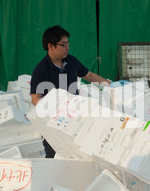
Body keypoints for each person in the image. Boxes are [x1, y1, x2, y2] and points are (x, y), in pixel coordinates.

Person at [30, 25, 111, 158]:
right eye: (63, 45)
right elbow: (35, 99)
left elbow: (89, 75)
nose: (67, 48)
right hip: (53, 124)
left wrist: (112, 85)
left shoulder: (71, 61)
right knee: (55, 157)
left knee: (79, 155)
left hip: (76, 118)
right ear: (51, 46)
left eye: (68, 44)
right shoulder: (41, 70)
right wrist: (54, 109)